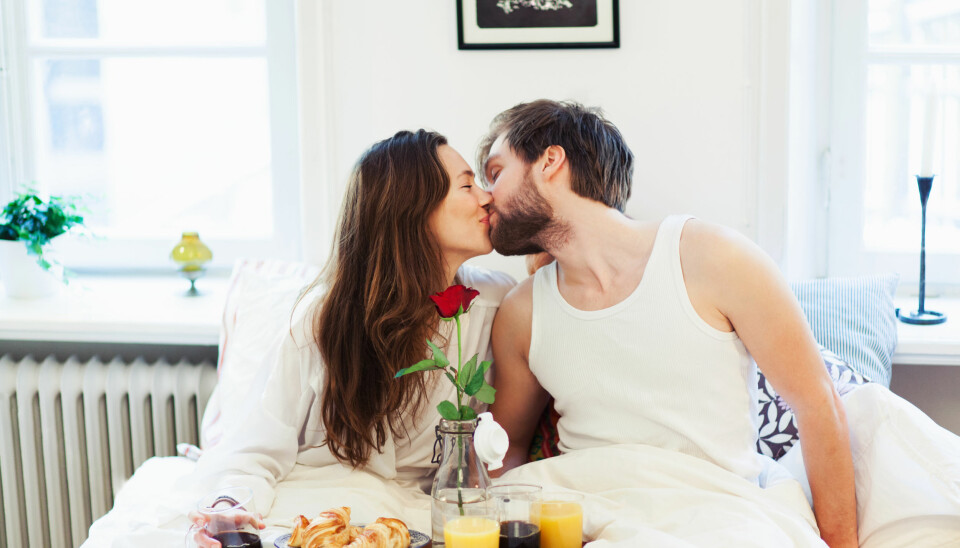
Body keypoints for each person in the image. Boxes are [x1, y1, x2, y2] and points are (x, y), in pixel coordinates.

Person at [480, 100, 858, 548]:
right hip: (581, 509)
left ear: (550, 162)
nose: (485, 196)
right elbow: (505, 452)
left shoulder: (714, 258)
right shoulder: (522, 313)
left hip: (717, 513)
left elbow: (818, 404)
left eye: (496, 172)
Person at [187, 129, 514, 546]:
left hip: (420, 519)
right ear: (411, 209)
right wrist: (228, 505)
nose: (486, 197)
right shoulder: (321, 322)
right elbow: (255, 448)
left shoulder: (494, 306)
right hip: (318, 506)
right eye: (467, 185)